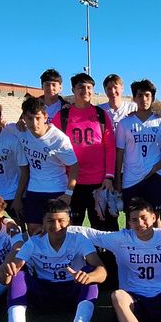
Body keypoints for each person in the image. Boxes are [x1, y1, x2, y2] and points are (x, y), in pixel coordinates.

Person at [0, 199, 106, 322]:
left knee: (91, 273)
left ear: (69, 221)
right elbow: (6, 279)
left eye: (61, 221)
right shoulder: (33, 243)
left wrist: (88, 276)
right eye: (50, 221)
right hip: (44, 295)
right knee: (18, 274)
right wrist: (6, 274)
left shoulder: (79, 239)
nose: (56, 226)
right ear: (43, 222)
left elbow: (102, 271)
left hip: (72, 294)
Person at [51, 72, 116, 229]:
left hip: (98, 183)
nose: (85, 91)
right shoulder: (62, 115)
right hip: (72, 183)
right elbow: (49, 142)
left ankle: (105, 255)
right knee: (70, 229)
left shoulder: (101, 114)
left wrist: (109, 177)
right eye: (81, 87)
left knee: (104, 228)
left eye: (89, 87)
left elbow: (110, 147)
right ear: (73, 89)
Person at [14, 96, 79, 235]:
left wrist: (68, 194)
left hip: (56, 189)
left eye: (38, 118)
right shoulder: (21, 131)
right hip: (34, 189)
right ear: (24, 118)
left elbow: (74, 166)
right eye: (29, 118)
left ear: (45, 116)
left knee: (59, 232)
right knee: (33, 231)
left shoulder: (59, 139)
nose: (34, 123)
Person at [115, 79, 161, 217]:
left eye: (147, 95)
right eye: (140, 95)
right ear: (134, 98)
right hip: (130, 179)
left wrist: (154, 169)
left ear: (152, 98)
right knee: (132, 220)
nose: (144, 99)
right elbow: (119, 153)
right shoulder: (124, 123)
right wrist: (118, 180)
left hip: (154, 178)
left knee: (156, 218)